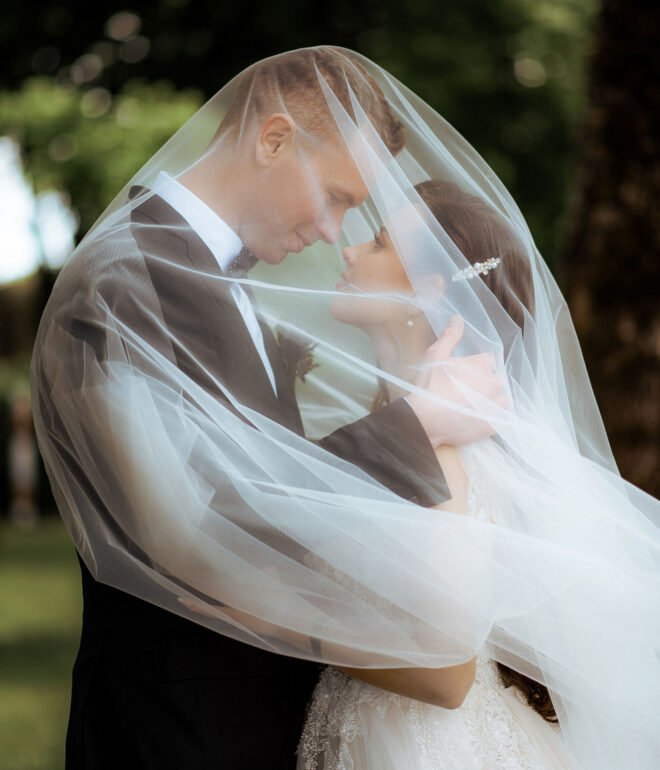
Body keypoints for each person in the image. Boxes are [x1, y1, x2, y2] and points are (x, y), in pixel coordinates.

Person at [30, 46, 659, 770]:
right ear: (273, 140)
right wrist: (410, 428)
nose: (336, 235)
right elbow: (190, 533)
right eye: (336, 197)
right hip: (172, 735)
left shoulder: (225, 287)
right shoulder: (123, 282)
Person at [297, 179, 575, 769]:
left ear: (427, 290)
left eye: (375, 244)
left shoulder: (442, 443)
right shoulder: (400, 423)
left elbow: (446, 671)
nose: (347, 251)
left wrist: (275, 622)